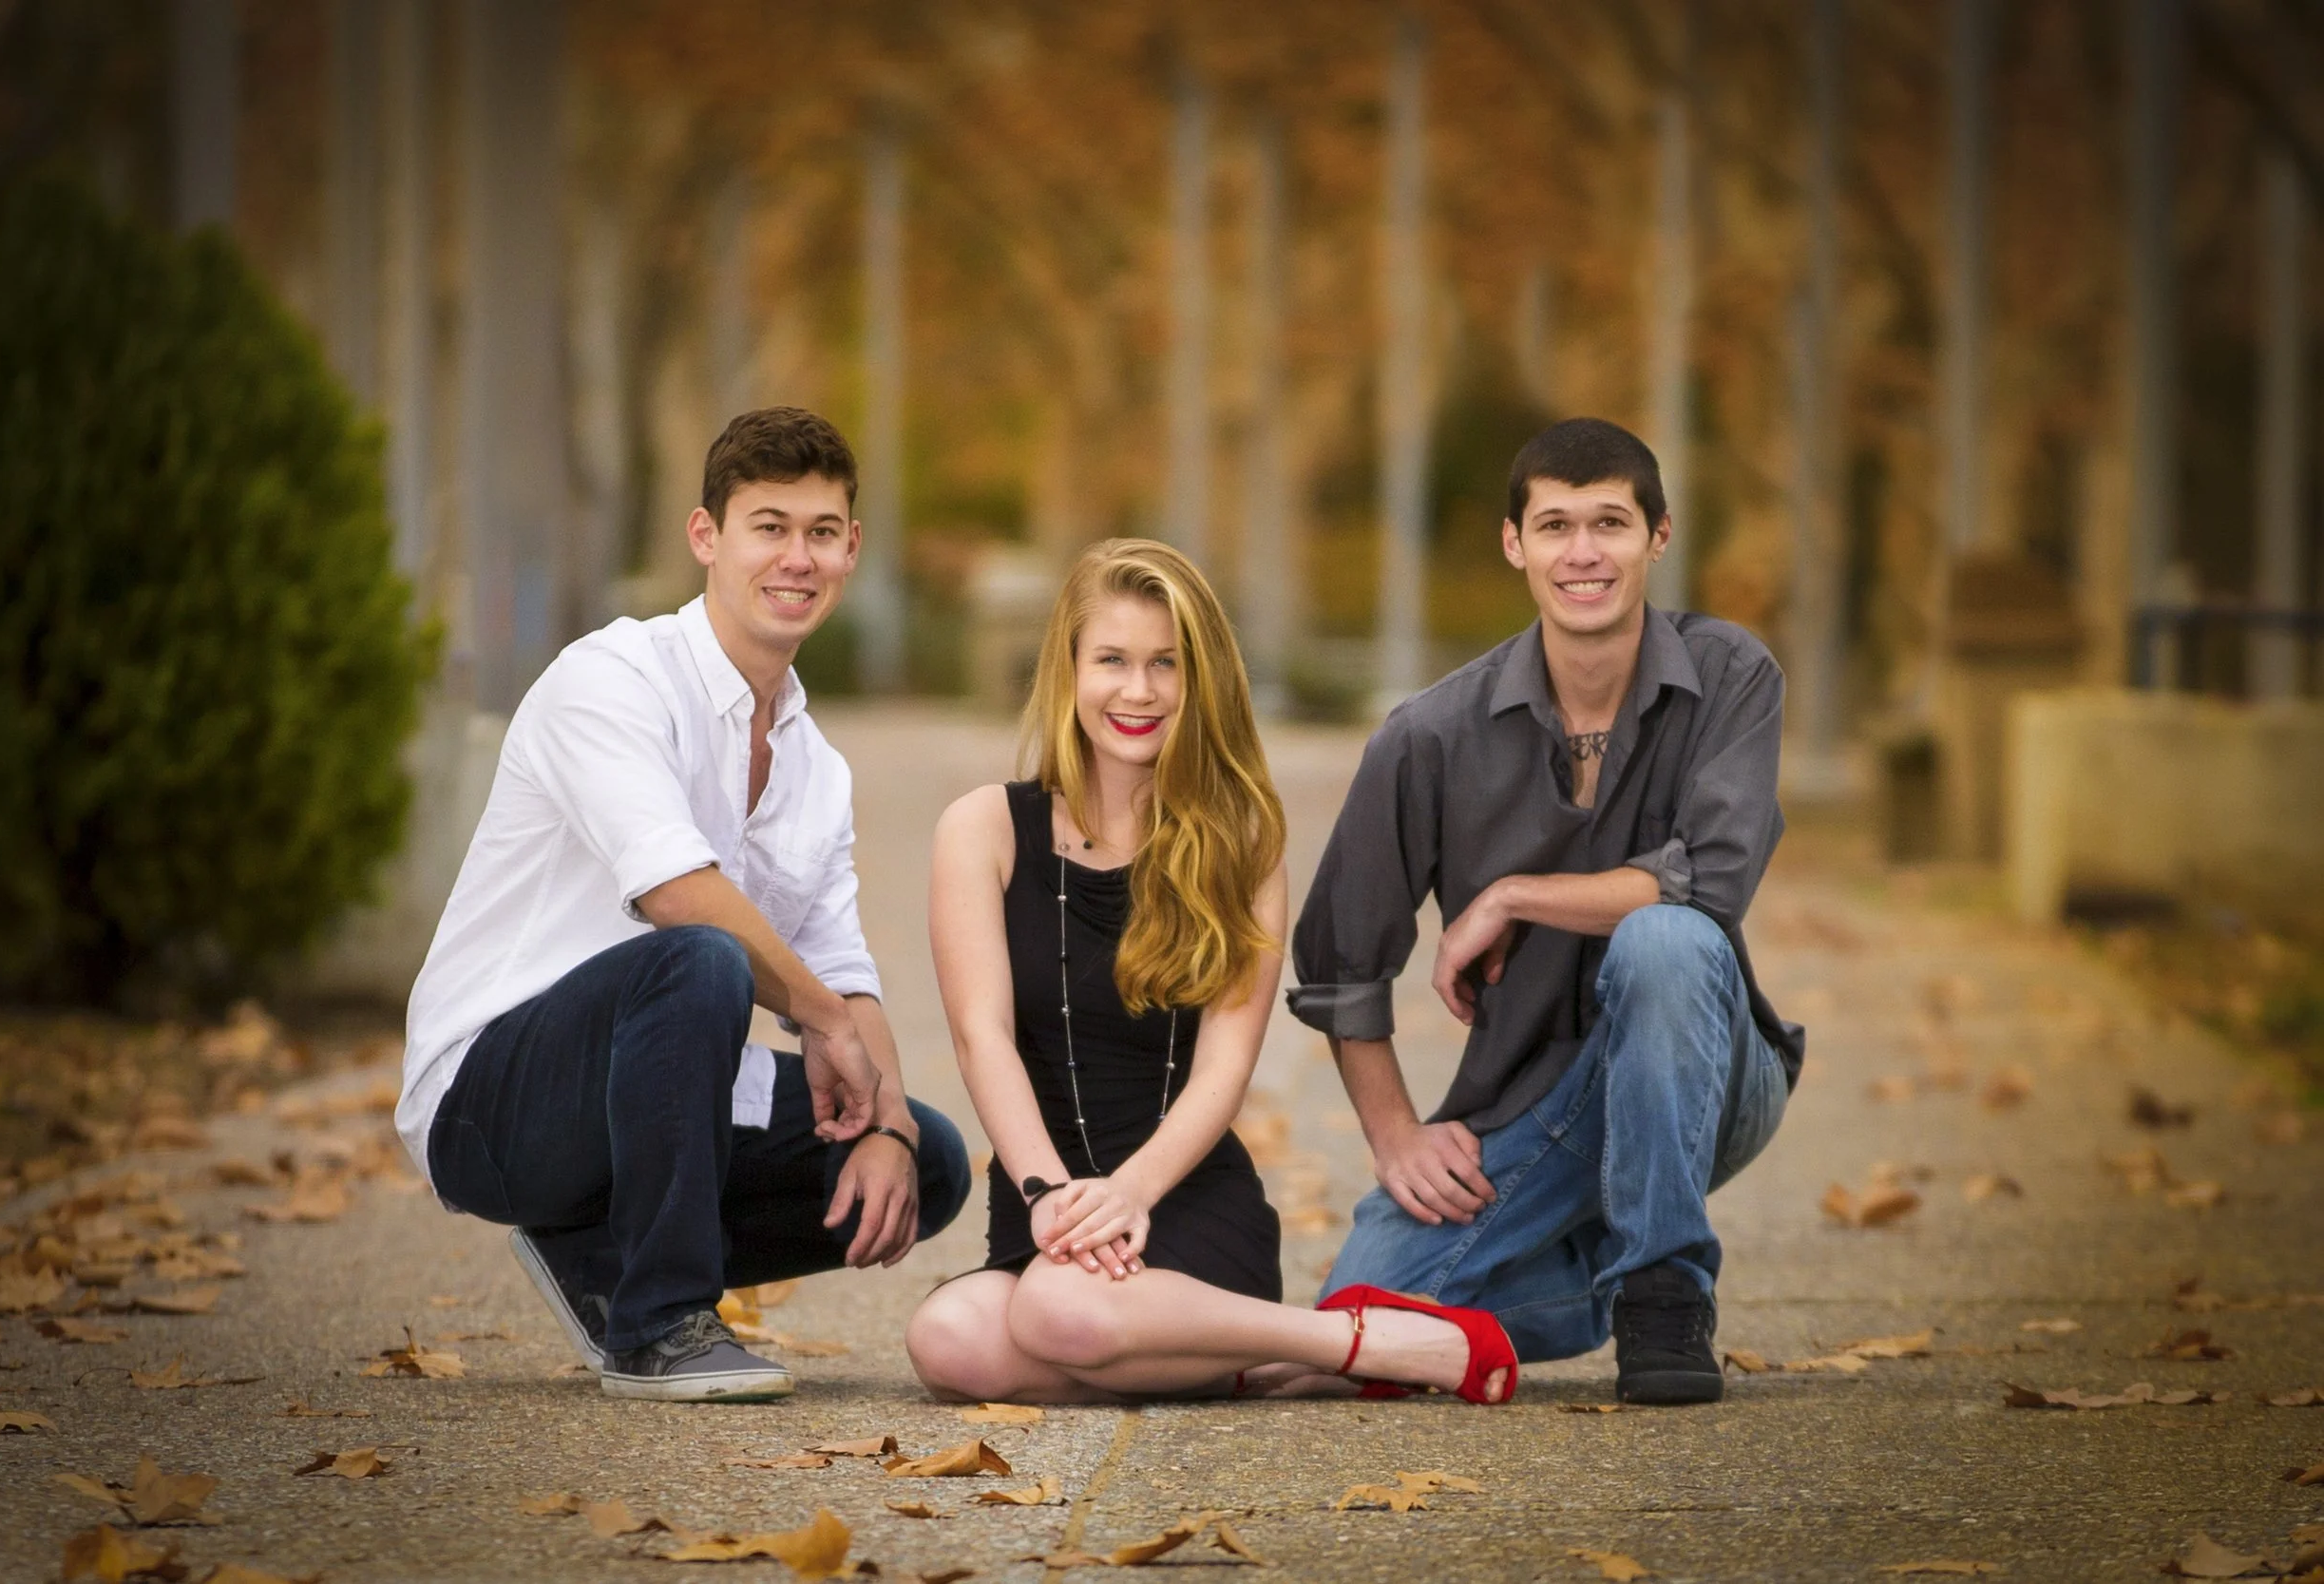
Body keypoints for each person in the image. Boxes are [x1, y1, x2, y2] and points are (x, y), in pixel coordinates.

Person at [396, 407, 969, 1403]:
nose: (797, 557)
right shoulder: (609, 679)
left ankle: (601, 1259)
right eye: (769, 526)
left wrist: (885, 1126)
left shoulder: (812, 766)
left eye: (822, 532)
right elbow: (676, 893)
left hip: (651, 1078)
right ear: (706, 537)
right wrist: (825, 1025)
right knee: (702, 954)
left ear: (851, 550)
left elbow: (840, 974)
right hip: (491, 1098)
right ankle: (660, 1324)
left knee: (934, 1158)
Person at [904, 539, 1516, 1406]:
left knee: (1056, 1313)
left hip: (1183, 1194)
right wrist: (1047, 1192)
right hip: (1047, 1198)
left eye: (1167, 664)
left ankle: (1362, 1337)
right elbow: (982, 1036)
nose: (1139, 690)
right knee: (947, 1338)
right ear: (1068, 670)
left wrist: (1132, 1193)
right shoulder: (983, 829)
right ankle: (1267, 1361)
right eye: (1112, 660)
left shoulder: (1244, 844)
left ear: (1202, 680)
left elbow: (1226, 1070)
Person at [1287, 417, 1803, 1406]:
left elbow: (1713, 877)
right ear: (1512, 542)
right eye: (1555, 524)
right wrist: (1397, 1133)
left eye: (1609, 522)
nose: (1581, 553)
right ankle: (1595, 1278)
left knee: (1666, 936)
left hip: (1711, 1073)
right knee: (1357, 1314)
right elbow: (1341, 962)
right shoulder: (1428, 736)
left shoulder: (1732, 676)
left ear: (1658, 536)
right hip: (1530, 1104)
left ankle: (1664, 1291)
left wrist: (1516, 895)